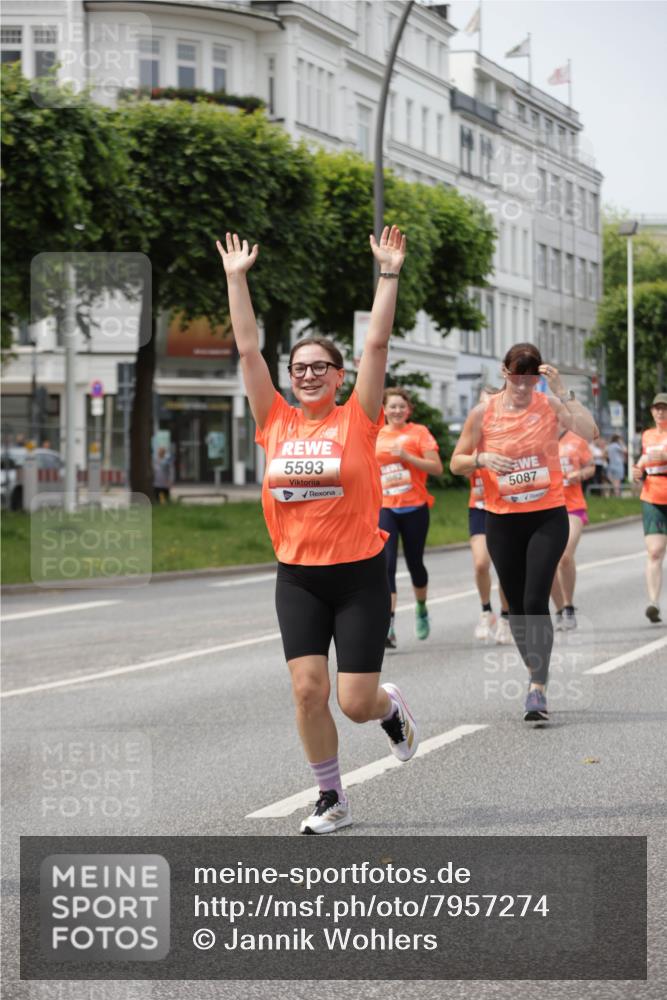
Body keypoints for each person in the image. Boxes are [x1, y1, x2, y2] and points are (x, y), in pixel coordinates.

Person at [216, 226, 418, 835]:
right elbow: (249, 351)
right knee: (308, 691)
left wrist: (388, 274)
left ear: (337, 376)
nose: (305, 375)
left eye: (318, 368)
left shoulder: (358, 418)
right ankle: (331, 797)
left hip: (358, 575)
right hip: (298, 578)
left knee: (355, 703)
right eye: (298, 368)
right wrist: (236, 279)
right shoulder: (273, 419)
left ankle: (391, 709)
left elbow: (377, 346)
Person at [450, 343, 596, 723]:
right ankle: (534, 670)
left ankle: (538, 686)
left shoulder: (548, 406)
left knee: (534, 599)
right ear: (504, 372)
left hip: (547, 514)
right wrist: (482, 458)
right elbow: (456, 462)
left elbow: (590, 431)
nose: (523, 385)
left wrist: (562, 390)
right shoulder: (483, 413)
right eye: (517, 376)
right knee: (515, 606)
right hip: (502, 518)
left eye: (530, 378)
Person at [375, 387, 442, 648]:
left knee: (415, 564)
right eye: (392, 406)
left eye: (402, 406)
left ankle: (422, 608)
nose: (397, 411)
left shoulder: (419, 433)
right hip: (386, 507)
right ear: (384, 409)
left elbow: (436, 468)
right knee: (386, 565)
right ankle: (388, 624)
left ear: (409, 410)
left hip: (415, 507)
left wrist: (407, 457)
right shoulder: (376, 434)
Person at [466, 387, 511, 644]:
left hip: (505, 509)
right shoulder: (472, 438)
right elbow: (457, 467)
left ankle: (505, 616)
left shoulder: (509, 435)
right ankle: (486, 611)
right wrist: (478, 458)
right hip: (480, 507)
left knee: (504, 567)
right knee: (481, 563)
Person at [551, 429, 595, 630]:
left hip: (573, 506)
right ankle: (560, 609)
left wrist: (581, 473)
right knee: (545, 562)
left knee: (565, 556)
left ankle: (568, 606)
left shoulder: (576, 441)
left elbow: (591, 467)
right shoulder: (537, 437)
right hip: (546, 507)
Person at [632, 392, 667, 623]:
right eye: (657, 408)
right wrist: (637, 472)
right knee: (654, 552)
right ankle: (653, 602)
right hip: (652, 496)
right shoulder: (646, 436)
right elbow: (642, 463)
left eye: (664, 408)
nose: (660, 412)